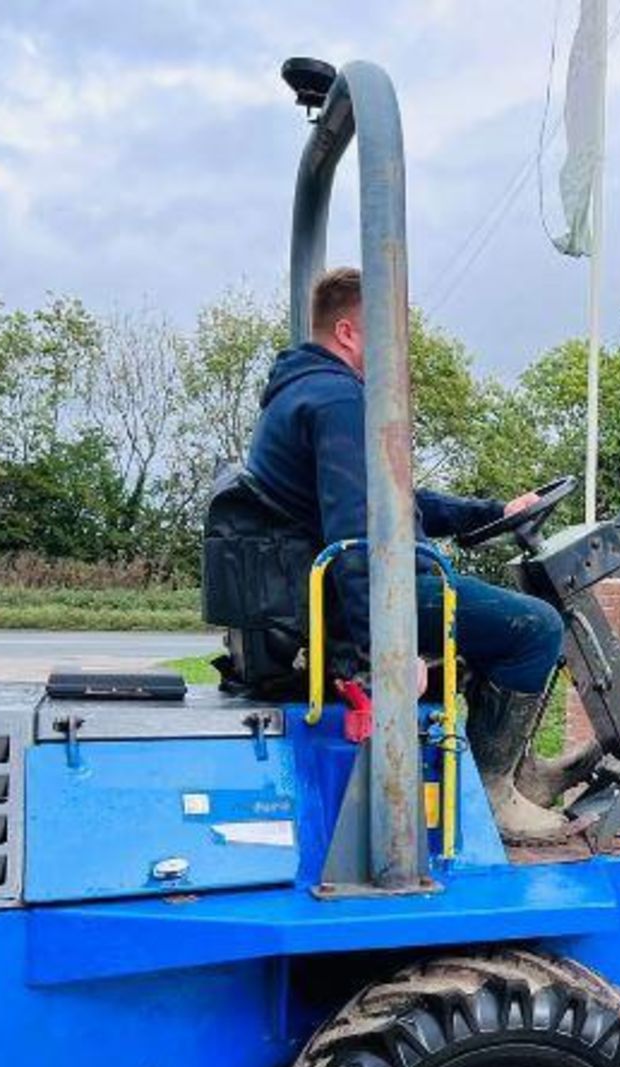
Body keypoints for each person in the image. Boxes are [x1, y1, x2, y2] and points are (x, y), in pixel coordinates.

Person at [245, 267, 585, 841]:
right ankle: (494, 795)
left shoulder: (306, 393)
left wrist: (491, 512)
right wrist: (384, 651)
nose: (398, 353)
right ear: (351, 332)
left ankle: (516, 774)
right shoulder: (338, 400)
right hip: (365, 596)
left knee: (495, 627)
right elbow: (356, 535)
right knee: (533, 626)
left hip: (342, 591)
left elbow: (395, 497)